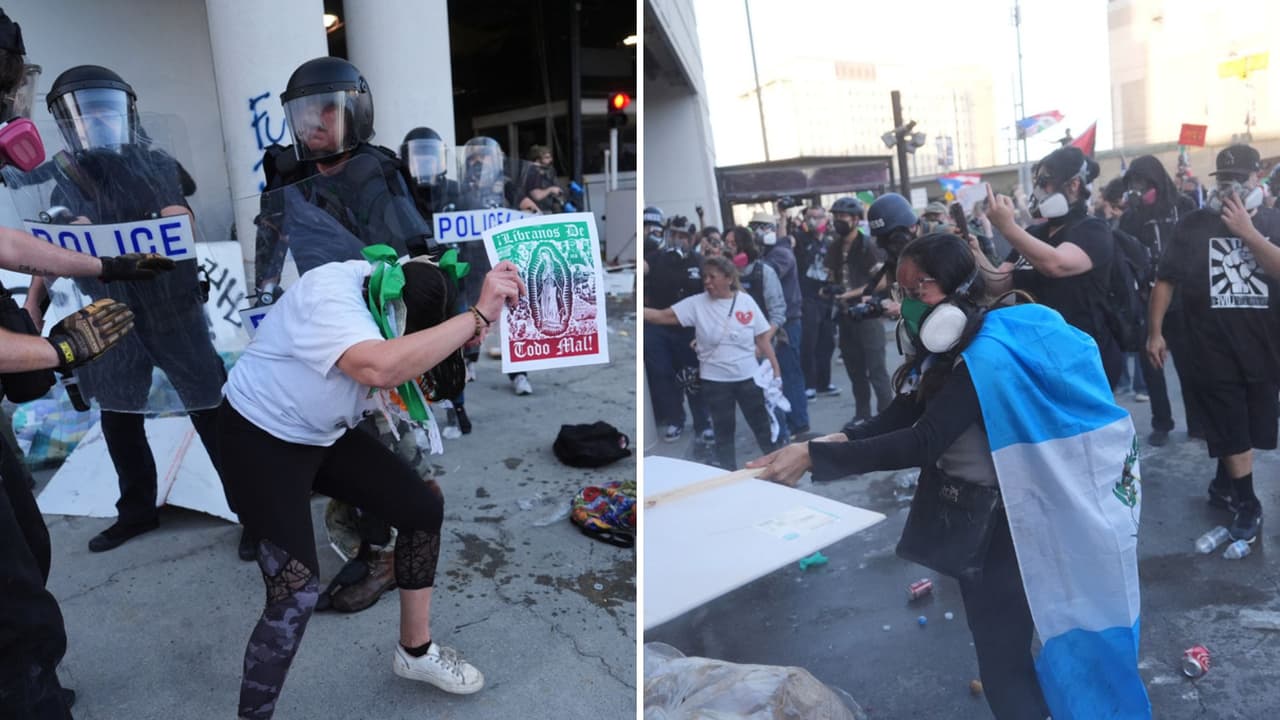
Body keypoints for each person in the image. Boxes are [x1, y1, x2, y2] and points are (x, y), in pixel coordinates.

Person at [750, 233, 1150, 720]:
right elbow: (897, 417)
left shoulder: (987, 357)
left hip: (1009, 529)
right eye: (903, 293)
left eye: (919, 292)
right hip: (986, 523)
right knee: (1005, 653)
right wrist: (831, 442)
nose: (907, 307)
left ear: (959, 287)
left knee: (1003, 666)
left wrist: (813, 459)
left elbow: (924, 440)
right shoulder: (948, 351)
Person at [219, 250, 524, 719]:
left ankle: (415, 653)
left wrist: (476, 321)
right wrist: (475, 315)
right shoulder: (330, 292)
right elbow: (379, 368)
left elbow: (421, 370)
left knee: (421, 509)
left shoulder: (404, 283)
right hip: (260, 433)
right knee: (294, 589)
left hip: (325, 430)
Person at [25, 65, 233, 556]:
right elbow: (54, 242)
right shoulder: (66, 176)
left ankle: (254, 508)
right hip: (109, 315)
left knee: (213, 412)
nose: (96, 122)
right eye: (86, 114)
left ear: (125, 112)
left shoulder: (154, 163)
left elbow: (179, 218)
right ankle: (137, 511)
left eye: (104, 111)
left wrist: (161, 234)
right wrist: (35, 302)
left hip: (172, 310)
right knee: (119, 418)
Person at [1148, 144, 1280, 543]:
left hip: (1263, 349)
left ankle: (1225, 483)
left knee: (1254, 430)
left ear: (1258, 180)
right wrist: (1155, 332)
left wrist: (1248, 232)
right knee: (1230, 425)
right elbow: (1166, 279)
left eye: (1240, 179)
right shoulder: (1193, 225)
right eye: (1224, 181)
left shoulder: (1273, 221)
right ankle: (1247, 503)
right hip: (1210, 347)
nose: (1232, 188)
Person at [977, 146, 1122, 385]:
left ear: (1073, 185)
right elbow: (998, 283)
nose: (1038, 191)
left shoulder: (1092, 230)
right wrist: (973, 250)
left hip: (1081, 360)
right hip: (1037, 359)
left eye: (1045, 182)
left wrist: (1007, 227)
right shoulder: (1035, 233)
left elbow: (1055, 265)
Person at [644, 255, 780, 470]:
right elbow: (662, 316)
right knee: (723, 433)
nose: (706, 281)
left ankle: (778, 469)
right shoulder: (696, 304)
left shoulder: (746, 301)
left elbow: (762, 338)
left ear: (728, 278)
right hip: (716, 383)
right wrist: (636, 309)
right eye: (704, 276)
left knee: (763, 428)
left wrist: (776, 369)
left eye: (712, 276)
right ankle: (728, 476)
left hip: (748, 379)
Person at [1121, 154, 1200, 446]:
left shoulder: (1184, 207)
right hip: (1148, 298)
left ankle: (1197, 421)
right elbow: (1126, 256)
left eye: (1144, 182)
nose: (1140, 188)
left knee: (1189, 364)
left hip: (1185, 298)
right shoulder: (1131, 216)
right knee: (1152, 364)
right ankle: (1161, 422)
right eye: (1135, 183)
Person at [456, 135, 533, 396]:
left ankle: (519, 373)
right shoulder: (461, 189)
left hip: (502, 259)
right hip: (472, 258)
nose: (478, 162)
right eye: (473, 158)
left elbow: (528, 207)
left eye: (483, 156)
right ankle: (469, 360)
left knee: (513, 315)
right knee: (473, 312)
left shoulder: (506, 187)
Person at [644, 213, 712, 443]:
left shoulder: (699, 262)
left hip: (688, 327)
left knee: (693, 375)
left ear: (691, 239)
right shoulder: (653, 259)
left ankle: (703, 423)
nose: (678, 239)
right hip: (658, 325)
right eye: (673, 234)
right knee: (662, 374)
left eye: (683, 236)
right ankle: (675, 419)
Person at [831, 195, 897, 422]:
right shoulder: (834, 246)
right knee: (854, 369)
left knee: (876, 370)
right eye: (836, 216)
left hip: (868, 315)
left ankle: (887, 416)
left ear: (856, 219)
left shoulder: (868, 245)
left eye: (843, 216)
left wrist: (851, 294)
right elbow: (830, 274)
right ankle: (862, 415)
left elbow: (882, 281)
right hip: (844, 315)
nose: (838, 220)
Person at [751, 212, 809, 434]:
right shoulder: (770, 253)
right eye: (754, 227)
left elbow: (766, 274)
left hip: (787, 322)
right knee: (776, 374)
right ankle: (787, 419)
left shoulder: (781, 254)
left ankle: (799, 421)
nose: (757, 232)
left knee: (789, 371)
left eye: (761, 227)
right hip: (772, 323)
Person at [793, 204, 839, 399]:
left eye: (818, 217)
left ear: (825, 219)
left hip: (827, 299)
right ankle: (809, 384)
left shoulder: (830, 242)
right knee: (809, 343)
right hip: (807, 298)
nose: (814, 221)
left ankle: (824, 382)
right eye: (810, 217)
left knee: (827, 342)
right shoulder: (799, 240)